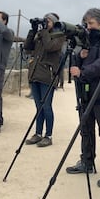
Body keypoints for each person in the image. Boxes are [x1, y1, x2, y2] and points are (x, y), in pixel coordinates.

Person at [65, 8, 100, 188]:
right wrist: (79, 57)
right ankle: (87, 162)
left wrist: (83, 71)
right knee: (86, 128)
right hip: (86, 91)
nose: (88, 28)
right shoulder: (88, 39)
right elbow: (80, 61)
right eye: (86, 24)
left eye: (91, 24)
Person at [24, 13, 66, 147]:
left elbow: (49, 47)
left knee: (46, 106)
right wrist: (33, 30)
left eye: (47, 21)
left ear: (54, 23)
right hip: (35, 74)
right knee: (38, 107)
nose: (45, 23)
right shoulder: (40, 34)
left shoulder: (59, 36)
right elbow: (27, 47)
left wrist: (43, 31)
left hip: (48, 76)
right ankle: (38, 133)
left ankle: (48, 135)